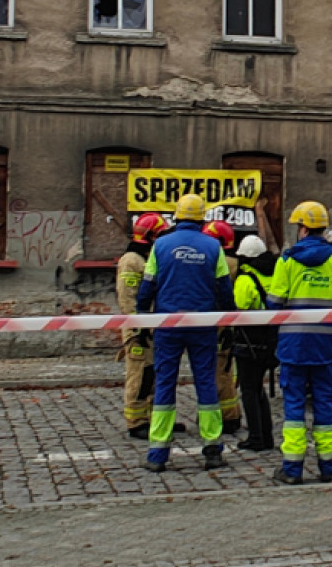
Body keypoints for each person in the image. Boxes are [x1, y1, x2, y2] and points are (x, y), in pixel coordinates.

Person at [134, 193, 235, 472]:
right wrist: (230, 317)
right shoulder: (213, 247)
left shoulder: (161, 245)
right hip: (203, 325)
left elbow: (148, 286)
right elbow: (224, 288)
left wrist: (143, 317)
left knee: (165, 383)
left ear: (177, 217)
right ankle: (212, 449)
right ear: (203, 218)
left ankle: (158, 453)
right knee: (206, 383)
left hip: (168, 324)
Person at [265, 201, 332, 485]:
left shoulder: (287, 260)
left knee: (293, 407)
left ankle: (292, 470)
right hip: (325, 345)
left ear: (302, 228)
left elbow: (274, 304)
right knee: (324, 406)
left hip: (293, 345)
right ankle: (329, 467)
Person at [116, 213, 169, 439]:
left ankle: (154, 418)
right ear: (150, 235)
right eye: (160, 234)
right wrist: (139, 327)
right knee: (139, 376)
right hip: (139, 330)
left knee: (154, 375)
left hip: (151, 326)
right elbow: (128, 299)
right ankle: (136, 421)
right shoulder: (131, 260)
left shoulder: (146, 258)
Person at [228, 233, 278, 453]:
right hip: (271, 340)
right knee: (259, 389)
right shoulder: (274, 275)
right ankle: (266, 435)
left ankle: (256, 437)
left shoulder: (245, 279)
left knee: (249, 390)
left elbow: (238, 307)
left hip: (248, 341)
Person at [201, 218, 244, 441]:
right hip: (227, 323)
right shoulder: (236, 262)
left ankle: (227, 416)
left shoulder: (218, 262)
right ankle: (230, 412)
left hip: (216, 324)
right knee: (226, 369)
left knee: (219, 371)